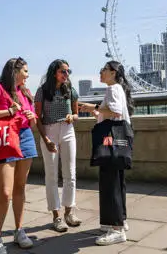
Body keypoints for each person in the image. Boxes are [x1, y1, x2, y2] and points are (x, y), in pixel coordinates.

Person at [0, 57, 38, 254]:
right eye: (25, 71)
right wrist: (8, 111)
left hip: (25, 137)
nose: (28, 75)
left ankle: (19, 230)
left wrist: (32, 117)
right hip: (4, 139)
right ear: (15, 71)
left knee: (20, 188)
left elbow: (33, 120)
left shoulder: (26, 93)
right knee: (5, 192)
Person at [79, 60, 134, 246]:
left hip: (109, 142)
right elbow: (112, 113)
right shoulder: (118, 89)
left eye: (104, 70)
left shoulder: (112, 88)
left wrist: (93, 108)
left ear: (113, 73)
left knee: (110, 183)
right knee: (118, 183)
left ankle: (116, 230)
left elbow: (115, 112)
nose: (100, 72)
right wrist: (95, 111)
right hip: (119, 141)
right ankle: (120, 221)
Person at [34, 59, 82, 232]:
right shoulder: (42, 91)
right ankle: (56, 216)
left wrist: (72, 117)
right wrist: (46, 139)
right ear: (54, 72)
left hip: (68, 130)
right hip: (49, 130)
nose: (66, 75)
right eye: (63, 71)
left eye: (68, 71)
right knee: (51, 175)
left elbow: (76, 113)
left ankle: (70, 212)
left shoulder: (70, 89)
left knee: (70, 173)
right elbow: (37, 118)